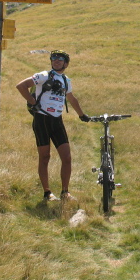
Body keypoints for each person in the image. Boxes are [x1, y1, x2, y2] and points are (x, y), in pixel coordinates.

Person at [16, 50, 90, 202]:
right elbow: (21, 86)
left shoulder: (66, 80)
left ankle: (65, 192)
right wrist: (33, 102)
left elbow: (71, 98)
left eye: (60, 59)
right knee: (45, 157)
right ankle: (47, 193)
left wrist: (82, 115)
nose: (56, 60)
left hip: (57, 120)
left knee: (67, 157)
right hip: (41, 119)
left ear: (66, 64)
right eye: (54, 58)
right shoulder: (43, 75)